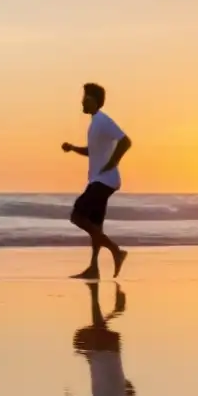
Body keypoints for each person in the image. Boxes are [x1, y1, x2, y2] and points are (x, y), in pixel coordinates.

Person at [61, 83, 132, 280]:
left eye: (87, 98)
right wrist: (73, 148)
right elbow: (92, 151)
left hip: (104, 180)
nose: (82, 101)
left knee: (77, 216)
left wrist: (114, 161)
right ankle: (94, 267)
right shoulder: (95, 124)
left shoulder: (103, 120)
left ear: (95, 101)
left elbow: (126, 141)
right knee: (95, 225)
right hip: (101, 180)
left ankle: (116, 251)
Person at [73, 282, 135, 396]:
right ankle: (96, 293)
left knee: (97, 326)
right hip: (102, 353)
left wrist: (87, 356)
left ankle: (113, 308)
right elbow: (101, 377)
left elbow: (116, 381)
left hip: (113, 351)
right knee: (95, 325)